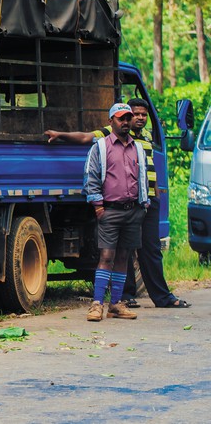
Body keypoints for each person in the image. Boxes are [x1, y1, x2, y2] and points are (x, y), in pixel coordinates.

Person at [45, 98, 190, 309]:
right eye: (134, 114)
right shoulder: (112, 134)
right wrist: (60, 135)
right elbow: (86, 138)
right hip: (123, 202)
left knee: (150, 249)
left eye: (142, 114)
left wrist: (156, 192)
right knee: (123, 251)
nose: (138, 118)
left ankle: (162, 297)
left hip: (146, 201)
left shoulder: (146, 138)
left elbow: (149, 167)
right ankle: (125, 296)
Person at [81, 103, 149, 321]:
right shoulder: (100, 147)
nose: (126, 122)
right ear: (111, 121)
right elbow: (91, 177)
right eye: (121, 118)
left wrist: (143, 204)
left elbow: (143, 177)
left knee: (123, 256)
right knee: (107, 256)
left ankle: (116, 304)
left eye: (128, 118)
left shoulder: (137, 147)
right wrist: (98, 206)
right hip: (109, 210)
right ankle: (97, 304)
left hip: (132, 210)